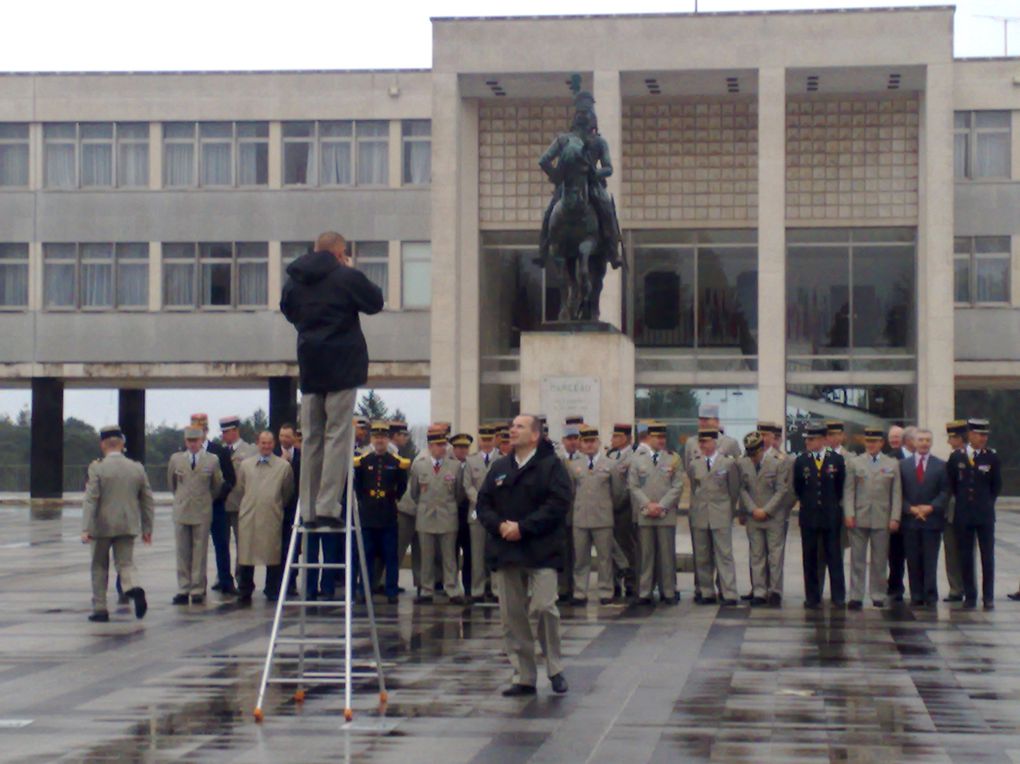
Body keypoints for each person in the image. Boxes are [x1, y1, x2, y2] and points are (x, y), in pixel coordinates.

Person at [280, 231, 384, 528]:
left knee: (311, 437)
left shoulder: (295, 280)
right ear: (340, 253)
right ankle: (327, 505)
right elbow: (375, 302)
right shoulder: (345, 277)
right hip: (342, 364)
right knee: (337, 435)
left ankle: (309, 508)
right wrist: (350, 271)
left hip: (310, 365)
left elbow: (288, 310)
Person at [476, 413, 572, 697]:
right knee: (512, 616)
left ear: (535, 435)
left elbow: (558, 504)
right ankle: (524, 676)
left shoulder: (551, 466)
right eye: (511, 426)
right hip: (507, 550)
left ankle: (554, 668)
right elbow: (483, 504)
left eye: (519, 426)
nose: (512, 430)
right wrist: (500, 525)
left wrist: (523, 527)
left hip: (541, 549)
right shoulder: (500, 467)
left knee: (544, 607)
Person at [81, 425, 154, 622]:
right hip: (127, 524)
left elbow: (91, 499)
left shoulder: (97, 468)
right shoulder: (136, 468)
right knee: (126, 564)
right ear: (122, 444)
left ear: (103, 444)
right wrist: (147, 528)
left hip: (101, 526)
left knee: (99, 566)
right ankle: (134, 588)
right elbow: (147, 500)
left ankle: (100, 609)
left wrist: (85, 528)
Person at [843, 427, 902, 610]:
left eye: (874, 442)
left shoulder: (892, 464)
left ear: (881, 443)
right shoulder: (855, 462)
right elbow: (849, 490)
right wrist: (849, 513)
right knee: (857, 559)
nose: (871, 445)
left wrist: (895, 517)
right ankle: (856, 595)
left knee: (879, 559)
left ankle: (878, 594)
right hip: (859, 516)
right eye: (868, 442)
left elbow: (897, 493)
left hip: (882, 517)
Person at [234, 431, 295, 604]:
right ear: (257, 443)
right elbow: (241, 488)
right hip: (249, 516)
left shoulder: (283, 467)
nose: (266, 446)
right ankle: (245, 589)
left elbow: (287, 492)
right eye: (263, 443)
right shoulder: (245, 465)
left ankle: (272, 588)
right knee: (246, 554)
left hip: (271, 516)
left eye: (269, 443)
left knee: (272, 554)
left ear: (274, 444)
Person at [566, 426, 624, 606]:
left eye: (592, 441)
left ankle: (606, 591)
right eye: (585, 442)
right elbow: (572, 492)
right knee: (580, 558)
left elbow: (617, 492)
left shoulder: (610, 464)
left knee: (605, 558)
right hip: (581, 518)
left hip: (602, 518)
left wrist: (607, 507)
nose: (589, 445)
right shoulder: (574, 465)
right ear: (581, 444)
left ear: (598, 443)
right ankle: (580, 592)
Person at [353, 422, 409, 604]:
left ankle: (391, 590)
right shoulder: (363, 462)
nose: (380, 441)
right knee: (366, 556)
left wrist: (392, 498)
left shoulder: (396, 463)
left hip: (387, 516)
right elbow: (358, 486)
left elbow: (402, 487)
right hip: (368, 516)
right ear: (372, 439)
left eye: (383, 438)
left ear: (387, 440)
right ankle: (364, 589)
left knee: (390, 556)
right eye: (376, 437)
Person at [167, 426, 224, 605]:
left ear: (202, 440)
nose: (192, 444)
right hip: (182, 510)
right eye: (189, 441)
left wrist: (206, 499)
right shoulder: (176, 460)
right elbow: (172, 483)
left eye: (196, 441)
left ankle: (198, 589)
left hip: (202, 511)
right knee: (182, 551)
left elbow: (217, 485)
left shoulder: (212, 460)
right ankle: (183, 588)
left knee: (200, 552)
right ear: (185, 442)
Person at [948, 418, 1001, 610]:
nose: (983, 438)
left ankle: (988, 597)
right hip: (964, 515)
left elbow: (996, 486)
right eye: (979, 434)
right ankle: (970, 595)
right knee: (965, 556)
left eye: (985, 435)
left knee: (987, 556)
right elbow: (952, 484)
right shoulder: (957, 457)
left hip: (984, 515)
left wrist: (985, 504)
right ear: (970, 435)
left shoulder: (991, 457)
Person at [629, 422, 683, 605]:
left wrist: (661, 506)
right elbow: (633, 486)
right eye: (657, 437)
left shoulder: (673, 458)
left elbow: (678, 486)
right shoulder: (638, 458)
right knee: (646, 555)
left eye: (663, 437)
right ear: (649, 438)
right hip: (645, 514)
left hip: (664, 514)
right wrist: (647, 505)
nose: (661, 441)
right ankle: (645, 591)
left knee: (667, 555)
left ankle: (668, 591)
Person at [408, 430, 466, 604]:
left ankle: (452, 589)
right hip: (425, 515)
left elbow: (459, 493)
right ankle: (427, 590)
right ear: (430, 446)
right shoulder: (419, 465)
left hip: (447, 515)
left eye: (444, 445)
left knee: (449, 556)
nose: (442, 448)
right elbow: (414, 492)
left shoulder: (454, 466)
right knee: (426, 556)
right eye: (439, 445)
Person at [794, 422, 846, 609]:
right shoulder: (801, 461)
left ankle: (838, 596)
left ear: (824, 439)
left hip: (830, 516)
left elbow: (840, 488)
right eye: (808, 439)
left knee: (834, 556)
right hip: (809, 516)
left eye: (813, 439)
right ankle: (812, 596)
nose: (809, 442)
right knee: (810, 557)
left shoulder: (836, 460)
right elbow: (798, 487)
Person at [688, 427, 742, 606]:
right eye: (700, 442)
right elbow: (694, 486)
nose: (702, 445)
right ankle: (706, 591)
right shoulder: (695, 463)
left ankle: (729, 592)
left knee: (724, 554)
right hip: (701, 513)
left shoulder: (727, 463)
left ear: (715, 443)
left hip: (720, 512)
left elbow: (733, 489)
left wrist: (730, 509)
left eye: (706, 442)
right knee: (702, 555)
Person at [737, 431, 789, 607]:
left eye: (755, 453)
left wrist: (766, 510)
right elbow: (742, 489)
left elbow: (781, 490)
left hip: (773, 516)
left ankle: (775, 591)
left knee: (775, 556)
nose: (753, 458)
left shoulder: (776, 463)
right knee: (756, 555)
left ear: (762, 449)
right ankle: (759, 591)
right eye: (750, 453)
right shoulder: (743, 463)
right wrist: (752, 510)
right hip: (754, 516)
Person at [899, 429, 949, 607]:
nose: (924, 443)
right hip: (910, 520)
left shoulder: (941, 465)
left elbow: (945, 492)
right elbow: (898, 493)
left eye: (928, 440)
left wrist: (931, 507)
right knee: (912, 560)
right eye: (921, 440)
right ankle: (916, 594)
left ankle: (930, 594)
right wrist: (910, 509)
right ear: (913, 442)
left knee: (930, 559)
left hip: (932, 520)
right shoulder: (903, 465)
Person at [190, 413, 237, 597]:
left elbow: (230, 479)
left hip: (216, 507)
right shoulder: (187, 452)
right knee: (196, 547)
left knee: (221, 545)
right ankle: (196, 584)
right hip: (195, 507)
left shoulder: (220, 451)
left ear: (206, 430)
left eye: (201, 429)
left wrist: (217, 496)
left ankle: (226, 580)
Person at [217, 415, 255, 596]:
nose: (224, 435)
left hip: (241, 503)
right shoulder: (218, 452)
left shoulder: (250, 451)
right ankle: (223, 577)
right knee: (222, 544)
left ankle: (242, 578)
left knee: (243, 544)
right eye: (222, 432)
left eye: (227, 432)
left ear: (235, 431)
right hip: (223, 504)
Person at [462, 425, 499, 603]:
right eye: (483, 440)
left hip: (496, 513)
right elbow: (467, 485)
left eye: (489, 439)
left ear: (495, 440)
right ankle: (477, 589)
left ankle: (496, 589)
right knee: (477, 555)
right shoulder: (471, 461)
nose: (486, 443)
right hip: (476, 512)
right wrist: (480, 500)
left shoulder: (503, 460)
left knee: (495, 552)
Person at [605, 422, 637, 598]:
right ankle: (614, 582)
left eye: (618, 437)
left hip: (625, 507)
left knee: (626, 545)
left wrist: (619, 503)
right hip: (609, 508)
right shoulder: (610, 455)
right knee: (610, 546)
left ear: (628, 439)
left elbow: (630, 485)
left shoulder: (633, 456)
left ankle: (631, 582)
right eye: (614, 436)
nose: (613, 439)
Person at [886, 425, 916, 602]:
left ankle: (918, 588)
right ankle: (895, 586)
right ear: (908, 441)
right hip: (897, 513)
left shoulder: (921, 458)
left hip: (917, 514)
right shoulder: (892, 459)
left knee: (915, 554)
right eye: (917, 439)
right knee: (895, 554)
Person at [275, 423, 302, 596]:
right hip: (277, 508)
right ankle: (277, 583)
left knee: (292, 548)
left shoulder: (301, 456)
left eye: (287, 436)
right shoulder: (274, 455)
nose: (284, 439)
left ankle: (291, 582)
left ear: (294, 437)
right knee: (277, 548)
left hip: (296, 509)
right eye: (281, 436)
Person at [944, 420, 967, 603]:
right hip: (953, 510)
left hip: (961, 510)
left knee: (957, 552)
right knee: (953, 552)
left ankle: (959, 588)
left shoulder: (960, 457)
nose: (949, 441)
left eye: (952, 437)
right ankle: (959, 587)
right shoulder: (954, 456)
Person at [450, 433, 475, 596]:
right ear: (453, 449)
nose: (462, 451)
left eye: (465, 447)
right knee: (451, 554)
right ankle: (451, 587)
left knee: (469, 553)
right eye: (459, 447)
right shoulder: (448, 465)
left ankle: (468, 587)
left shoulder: (473, 465)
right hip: (451, 514)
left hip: (468, 514)